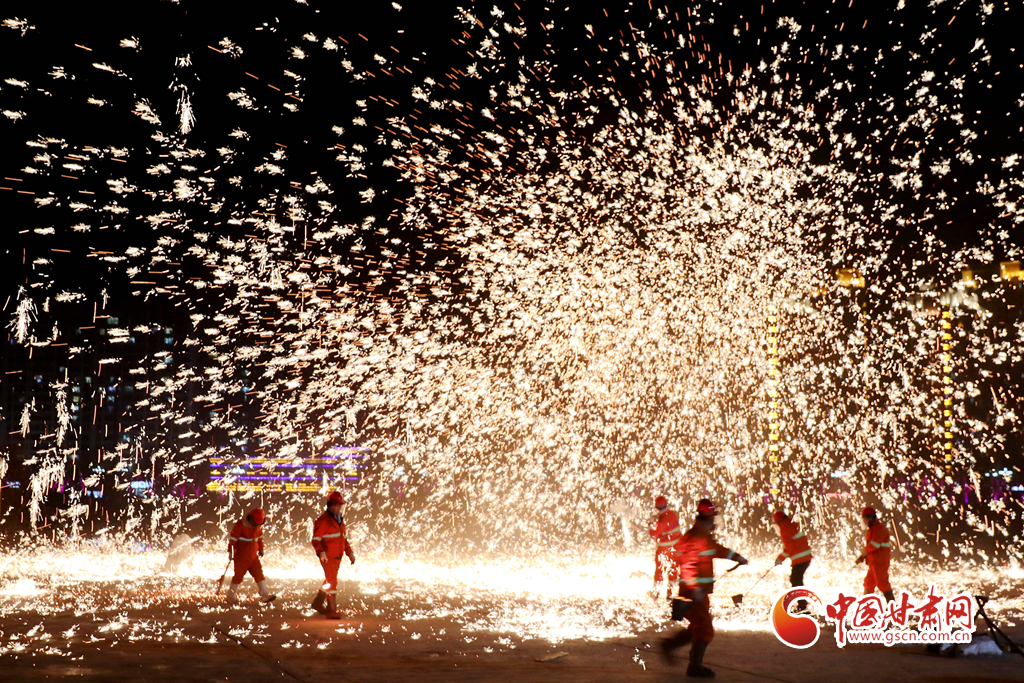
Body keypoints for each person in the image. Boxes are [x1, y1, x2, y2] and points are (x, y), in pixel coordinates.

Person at [661, 498, 748, 678]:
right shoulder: (693, 539)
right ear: (708, 518)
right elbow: (687, 567)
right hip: (694, 593)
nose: (715, 521)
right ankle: (694, 667)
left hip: (700, 592)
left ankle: (670, 645)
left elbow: (716, 549)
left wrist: (736, 557)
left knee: (696, 628)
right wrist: (695, 590)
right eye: (713, 517)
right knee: (705, 630)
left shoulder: (703, 537)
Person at [311, 490, 356, 619]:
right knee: (332, 582)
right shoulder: (323, 521)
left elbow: (343, 539)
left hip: (337, 557)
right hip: (328, 557)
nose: (340, 508)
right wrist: (321, 552)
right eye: (338, 505)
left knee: (329, 580)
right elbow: (315, 540)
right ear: (331, 505)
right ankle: (332, 610)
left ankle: (318, 602)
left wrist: (349, 553)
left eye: (341, 506)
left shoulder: (339, 521)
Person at [226, 508, 276, 605]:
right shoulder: (240, 525)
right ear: (251, 519)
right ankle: (230, 596)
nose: (257, 526)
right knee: (238, 577)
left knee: (259, 575)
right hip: (241, 557)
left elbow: (260, 537)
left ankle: (265, 595)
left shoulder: (258, 526)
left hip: (253, 557)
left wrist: (261, 548)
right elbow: (233, 540)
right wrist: (231, 553)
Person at [772, 510, 812, 612]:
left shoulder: (784, 528)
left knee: (795, 581)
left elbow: (789, 547)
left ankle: (802, 606)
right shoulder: (792, 523)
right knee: (796, 580)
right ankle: (802, 604)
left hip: (800, 559)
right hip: (806, 557)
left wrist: (780, 558)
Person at [855, 506, 894, 602]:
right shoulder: (872, 529)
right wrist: (864, 556)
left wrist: (863, 555)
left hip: (880, 562)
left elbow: (874, 545)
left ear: (870, 517)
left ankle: (892, 606)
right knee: (869, 583)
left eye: (864, 519)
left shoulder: (879, 529)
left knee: (883, 583)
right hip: (874, 562)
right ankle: (866, 606)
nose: (864, 522)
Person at [648, 495, 683, 597]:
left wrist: (651, 524)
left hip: (663, 550)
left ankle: (656, 593)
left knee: (660, 570)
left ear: (657, 507)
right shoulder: (673, 514)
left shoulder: (661, 521)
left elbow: (654, 534)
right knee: (673, 570)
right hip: (676, 549)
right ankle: (670, 593)